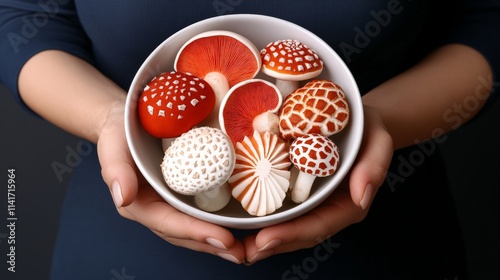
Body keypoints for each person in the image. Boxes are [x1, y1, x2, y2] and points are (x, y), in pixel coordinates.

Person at [1, 0, 498, 279]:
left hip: (386, 248)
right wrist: (109, 117)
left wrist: (380, 121)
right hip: (121, 247)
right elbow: (20, 16)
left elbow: (485, 19)